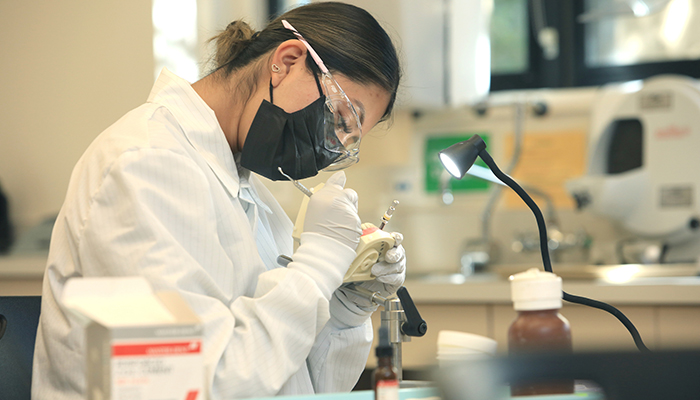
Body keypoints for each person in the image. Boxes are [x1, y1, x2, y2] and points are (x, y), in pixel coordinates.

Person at [31, 2, 404, 399]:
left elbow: (302, 386)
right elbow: (185, 384)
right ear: (288, 60)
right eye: (340, 119)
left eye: (346, 141)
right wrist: (318, 265)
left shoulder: (250, 194)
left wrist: (341, 307)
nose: (329, 149)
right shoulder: (142, 164)